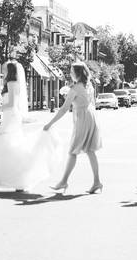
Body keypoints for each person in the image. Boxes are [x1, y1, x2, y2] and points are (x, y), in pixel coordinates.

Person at [0, 61, 58, 192]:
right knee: (6, 146)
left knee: (2, 145)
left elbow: (12, 104)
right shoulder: (13, 83)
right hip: (10, 116)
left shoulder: (11, 83)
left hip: (11, 116)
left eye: (4, 69)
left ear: (9, 71)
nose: (2, 71)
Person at [43, 62, 103, 194]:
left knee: (73, 151)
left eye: (71, 71)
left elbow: (64, 108)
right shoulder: (89, 85)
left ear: (77, 73)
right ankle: (97, 181)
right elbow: (91, 102)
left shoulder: (75, 88)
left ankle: (64, 181)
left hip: (83, 119)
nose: (70, 74)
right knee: (90, 150)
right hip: (91, 116)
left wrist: (50, 123)